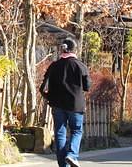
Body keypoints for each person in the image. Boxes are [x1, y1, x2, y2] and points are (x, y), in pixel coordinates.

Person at [39, 37, 91, 167]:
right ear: (74, 50)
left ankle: (63, 165)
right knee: (76, 131)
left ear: (62, 49)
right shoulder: (80, 65)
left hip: (57, 104)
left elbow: (43, 86)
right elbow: (87, 87)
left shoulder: (54, 66)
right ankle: (72, 155)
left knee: (60, 133)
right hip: (75, 105)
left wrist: (48, 96)